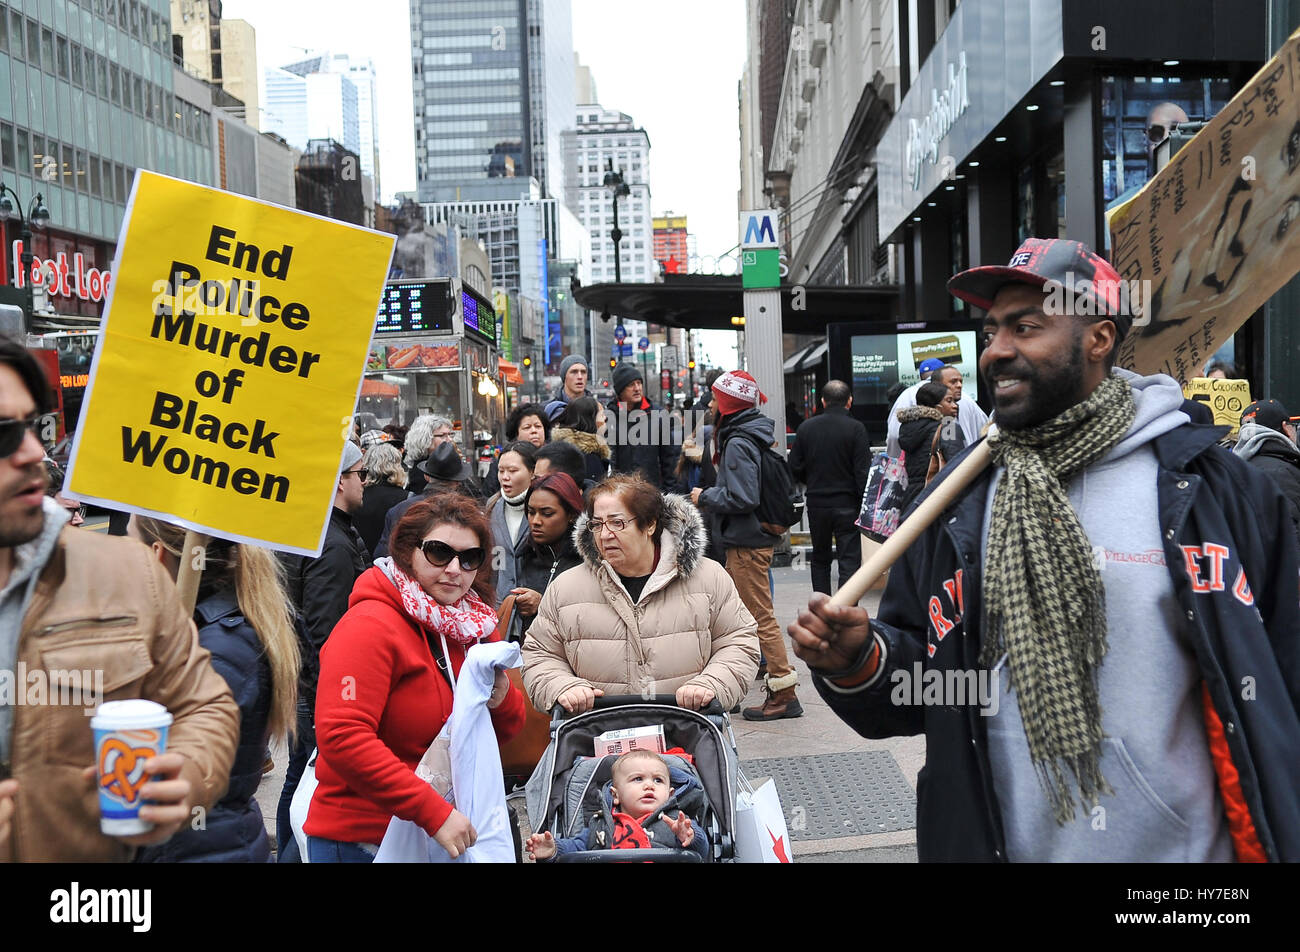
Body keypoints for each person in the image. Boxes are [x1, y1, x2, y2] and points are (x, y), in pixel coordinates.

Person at [791, 237, 1300, 863]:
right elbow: (922, 689)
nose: (997, 350)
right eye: (992, 331)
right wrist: (859, 659)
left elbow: (1283, 681)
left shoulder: (1216, 495)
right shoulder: (958, 506)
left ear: (1099, 338)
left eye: (1026, 327)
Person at [0, 337, 239, 861]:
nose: (34, 453)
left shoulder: (124, 571)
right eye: (2, 435)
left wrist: (187, 770)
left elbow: (205, 703)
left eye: (34, 427)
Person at [305, 495, 526, 862]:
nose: (455, 569)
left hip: (442, 838)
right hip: (365, 840)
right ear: (408, 552)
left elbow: (500, 733)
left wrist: (501, 699)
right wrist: (432, 812)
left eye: (470, 558)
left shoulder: (475, 624)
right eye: (439, 553)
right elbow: (342, 737)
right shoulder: (368, 626)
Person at [130, 518, 300, 863]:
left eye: (126, 543)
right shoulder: (204, 629)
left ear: (157, 555)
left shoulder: (211, 650)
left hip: (198, 846)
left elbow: (170, 772)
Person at [523, 474, 759, 714]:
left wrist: (710, 685)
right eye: (597, 524)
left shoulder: (708, 578)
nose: (604, 535)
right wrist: (563, 687)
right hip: (595, 736)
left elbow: (739, 642)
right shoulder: (566, 588)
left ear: (650, 525)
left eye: (617, 523)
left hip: (689, 733)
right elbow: (539, 655)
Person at [276, 441, 370, 862]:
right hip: (315, 686)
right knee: (304, 775)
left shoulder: (320, 531)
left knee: (301, 773)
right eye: (359, 474)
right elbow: (324, 627)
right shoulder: (331, 544)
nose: (365, 482)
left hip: (306, 681)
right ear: (338, 483)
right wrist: (329, 693)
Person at [691, 371, 801, 721]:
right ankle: (735, 684)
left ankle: (784, 691)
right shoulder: (750, 433)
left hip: (746, 541)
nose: (709, 404)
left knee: (758, 617)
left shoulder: (738, 441)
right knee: (739, 615)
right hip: (747, 539)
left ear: (727, 404)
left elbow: (743, 496)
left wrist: (703, 495)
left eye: (714, 398)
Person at [525, 750, 707, 860]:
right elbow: (576, 849)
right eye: (638, 779)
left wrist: (689, 837)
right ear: (615, 795)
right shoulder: (601, 825)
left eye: (658, 780)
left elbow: (701, 852)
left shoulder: (675, 822)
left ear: (670, 794)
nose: (649, 785)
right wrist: (554, 849)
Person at [788, 379, 871, 596]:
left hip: (817, 504)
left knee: (820, 557)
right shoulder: (857, 428)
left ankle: (821, 607)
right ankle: (845, 608)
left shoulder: (806, 428)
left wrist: (812, 480)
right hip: (848, 504)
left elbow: (794, 467)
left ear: (823, 401)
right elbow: (862, 471)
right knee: (849, 559)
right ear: (849, 401)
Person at [508, 472, 584, 640]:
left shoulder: (589, 560)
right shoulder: (525, 554)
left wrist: (542, 604)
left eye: (547, 513)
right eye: (531, 512)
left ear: (571, 514)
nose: (536, 521)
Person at [373, 442, 477, 560]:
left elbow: (382, 558)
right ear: (458, 481)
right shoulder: (467, 514)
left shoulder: (399, 510)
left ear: (426, 476)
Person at [886, 360, 989, 456]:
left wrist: (896, 461)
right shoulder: (948, 421)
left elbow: (894, 436)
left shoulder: (907, 397)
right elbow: (985, 430)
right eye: (949, 401)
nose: (959, 386)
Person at [606, 362, 681, 491]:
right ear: (620, 390)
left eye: (639, 383)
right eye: (631, 385)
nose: (637, 388)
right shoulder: (609, 417)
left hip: (652, 494)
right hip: (621, 495)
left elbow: (669, 461)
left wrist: (670, 496)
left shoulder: (658, 415)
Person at [1234, 398, 1300, 540]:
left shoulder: (1233, 470)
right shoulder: (1280, 473)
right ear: (1286, 428)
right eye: (1292, 425)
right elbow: (1289, 538)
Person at [896, 380, 966, 514]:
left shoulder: (907, 427)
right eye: (949, 401)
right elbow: (958, 467)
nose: (955, 405)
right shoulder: (948, 426)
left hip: (910, 499)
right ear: (938, 407)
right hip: (937, 500)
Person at [486, 440, 538, 602]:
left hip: (536, 603)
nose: (505, 477)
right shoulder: (492, 506)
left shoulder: (543, 508)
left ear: (532, 472)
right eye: (501, 471)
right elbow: (495, 559)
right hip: (501, 605)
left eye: (513, 471)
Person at [482, 403, 551, 497]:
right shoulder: (502, 463)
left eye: (538, 426)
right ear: (516, 434)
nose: (534, 431)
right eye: (527, 427)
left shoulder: (553, 460)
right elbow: (489, 495)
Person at [354, 443, 409, 556]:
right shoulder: (408, 499)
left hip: (361, 562)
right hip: (393, 565)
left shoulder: (356, 497)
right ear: (397, 467)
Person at [553, 396, 611, 486]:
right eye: (602, 414)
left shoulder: (561, 450)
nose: (605, 418)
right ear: (589, 420)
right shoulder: (589, 458)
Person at [404, 415, 456, 496]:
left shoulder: (445, 462)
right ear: (425, 439)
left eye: (450, 434)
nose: (449, 439)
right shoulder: (420, 470)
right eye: (442, 435)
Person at [543, 354, 590, 421]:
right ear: (564, 377)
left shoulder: (596, 409)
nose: (580, 376)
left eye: (583, 372)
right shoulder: (548, 410)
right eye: (574, 372)